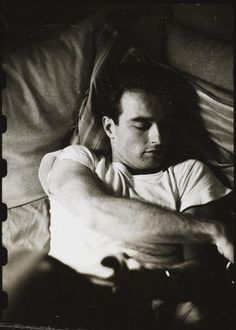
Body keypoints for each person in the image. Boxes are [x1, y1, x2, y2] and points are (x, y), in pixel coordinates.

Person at [38, 61, 234, 329]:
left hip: (147, 307)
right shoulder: (78, 159)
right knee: (22, 269)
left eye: (164, 124)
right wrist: (213, 230)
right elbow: (93, 209)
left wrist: (156, 281)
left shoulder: (189, 173)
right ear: (109, 128)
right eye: (141, 125)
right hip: (69, 300)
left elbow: (200, 268)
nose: (158, 138)